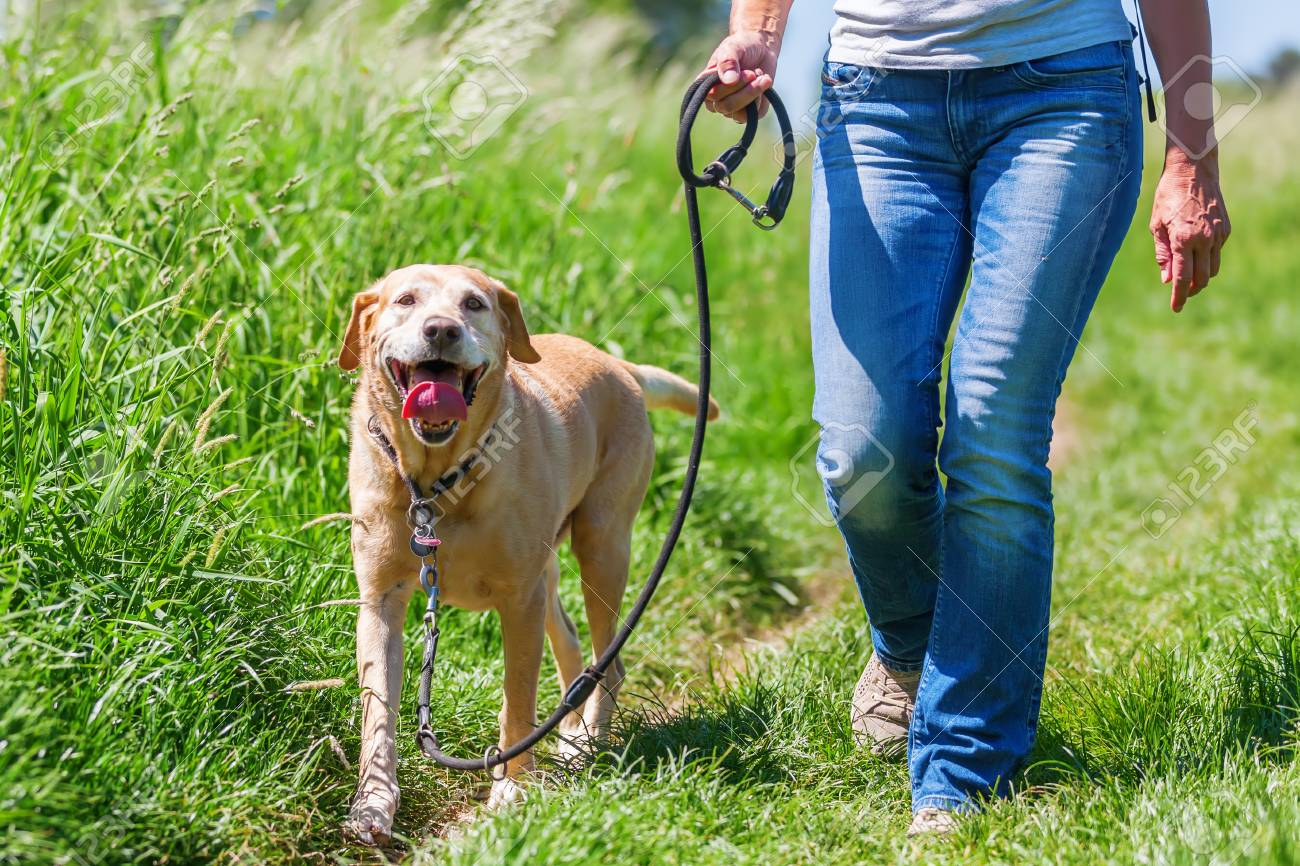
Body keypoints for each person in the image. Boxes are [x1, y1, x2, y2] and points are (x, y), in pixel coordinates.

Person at [704, 0, 1230, 836]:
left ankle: (960, 772)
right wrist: (757, 37)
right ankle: (913, 647)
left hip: (1062, 94)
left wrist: (1192, 151)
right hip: (875, 100)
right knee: (860, 446)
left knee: (993, 427)